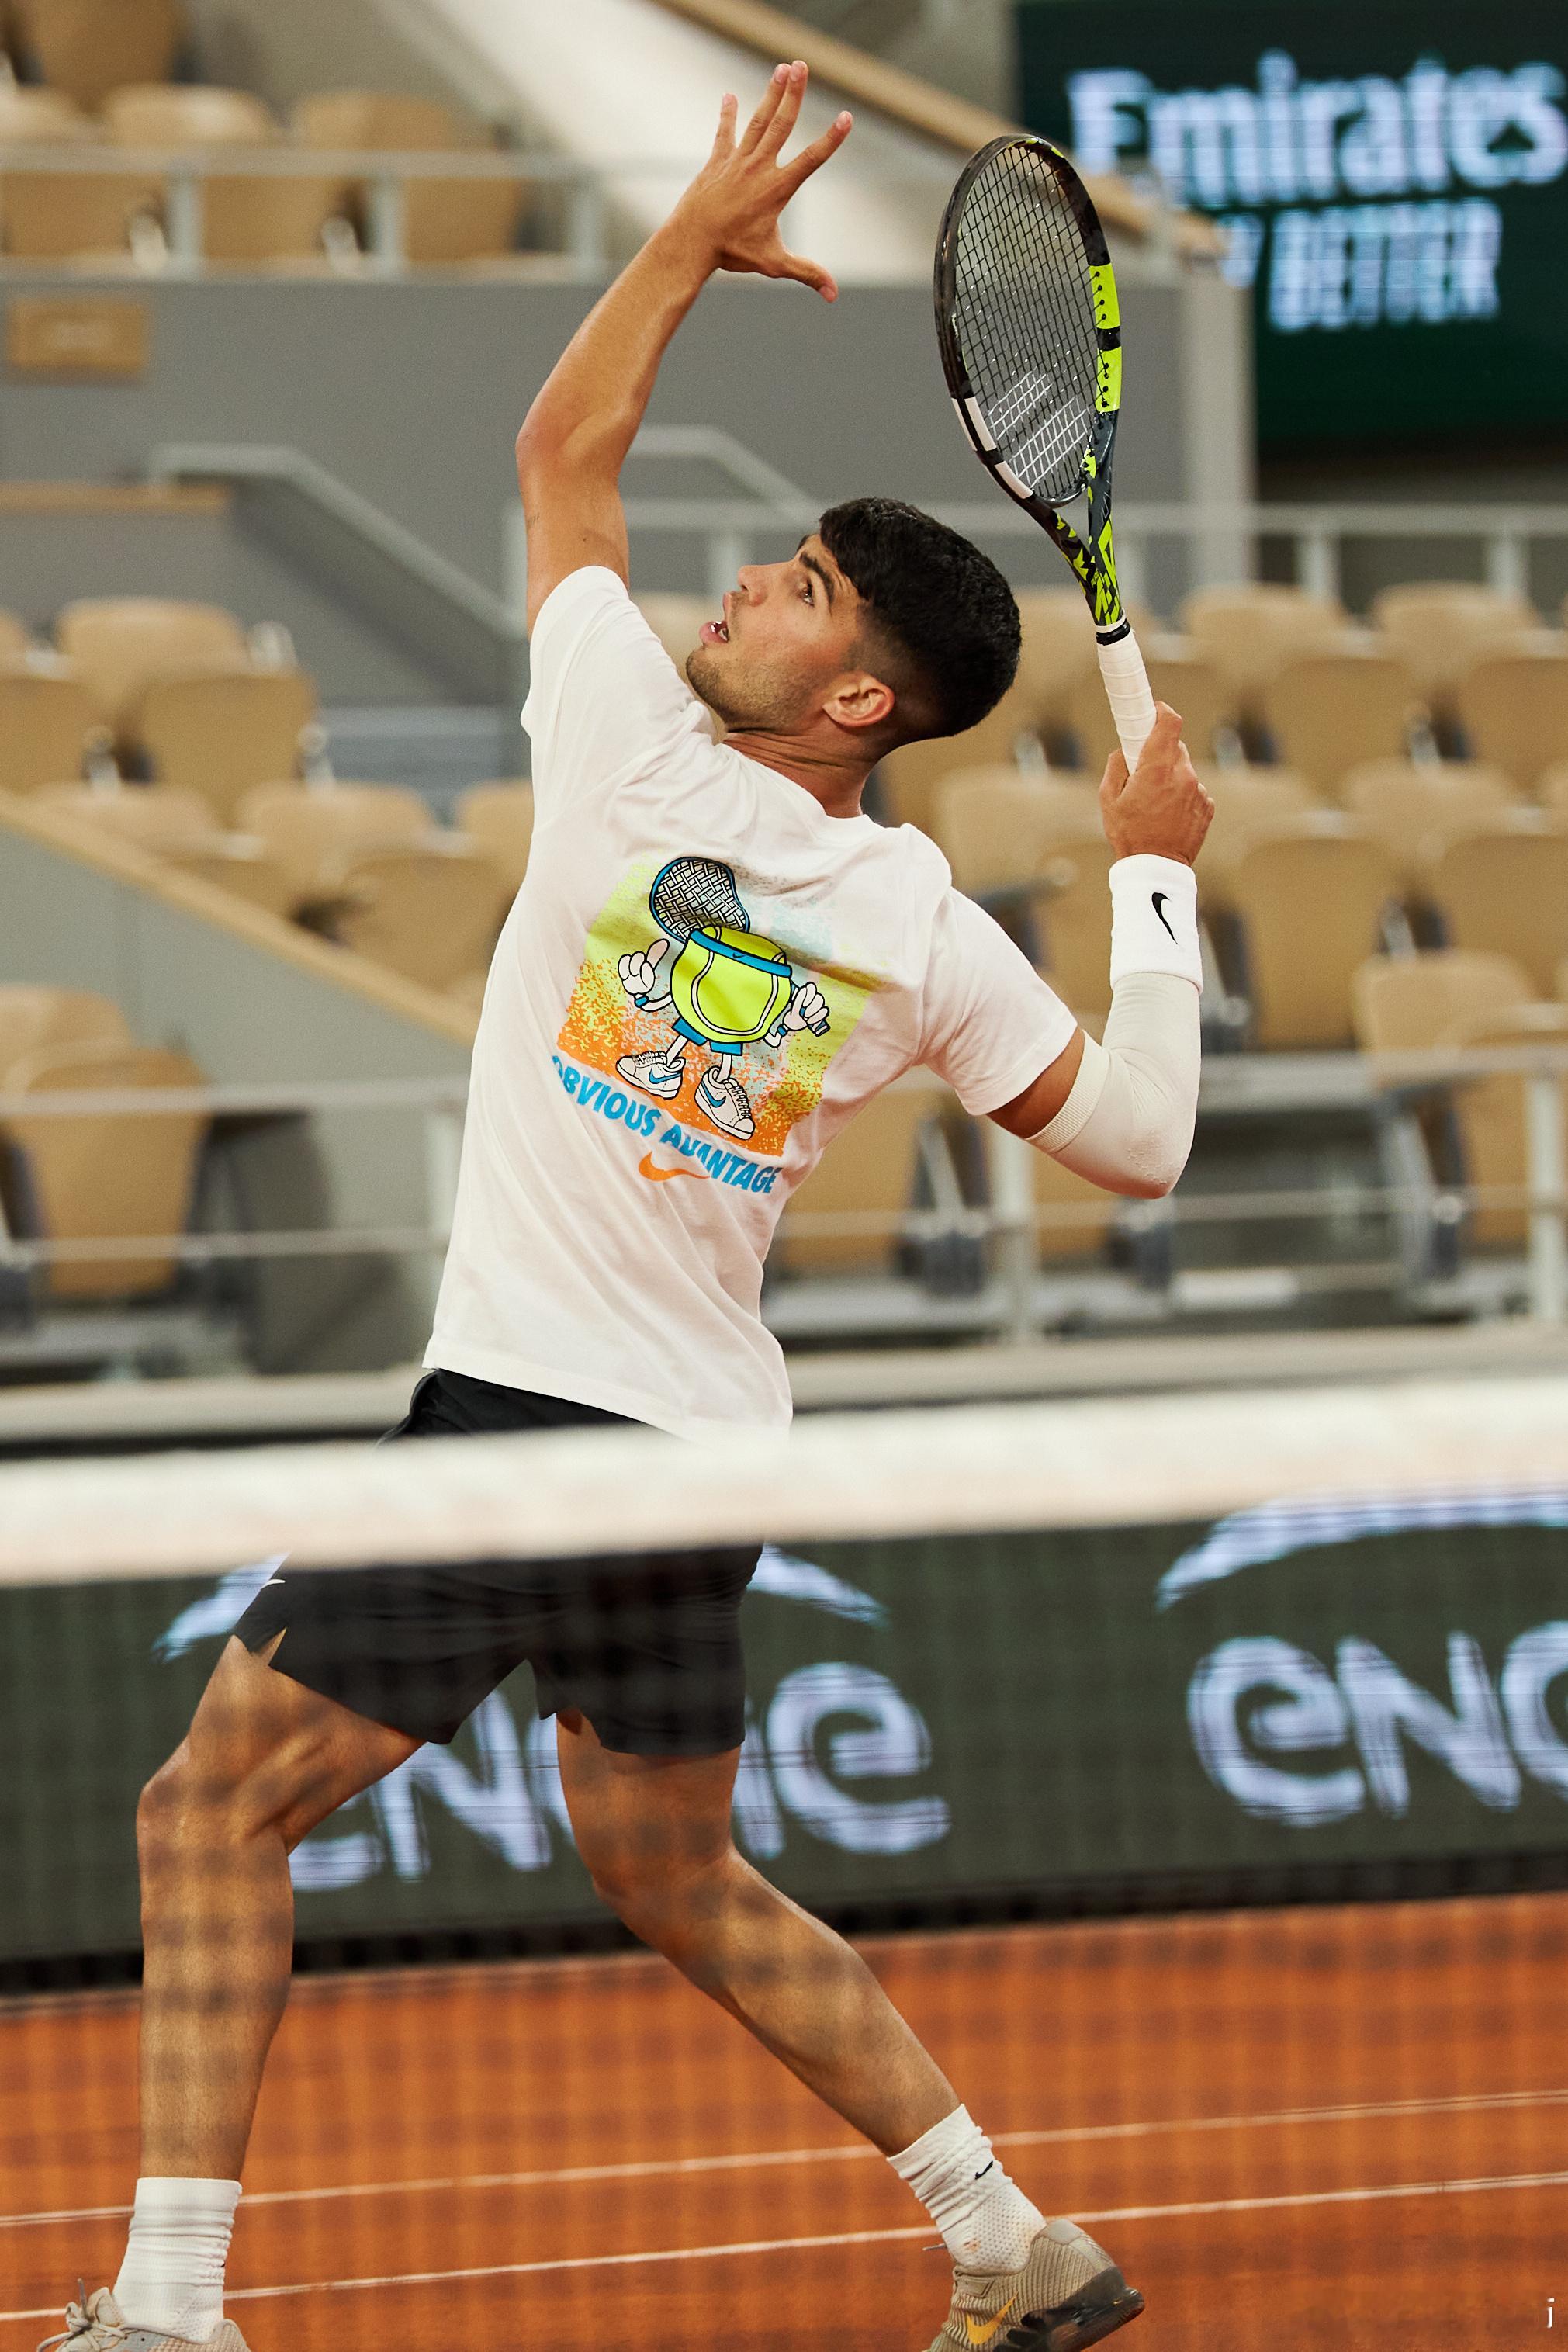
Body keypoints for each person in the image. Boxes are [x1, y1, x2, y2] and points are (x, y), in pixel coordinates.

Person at [43, 61, 1210, 2352]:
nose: (742, 586)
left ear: (853, 692)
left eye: (794, 589)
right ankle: (1014, 2246)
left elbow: (559, 455)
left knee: (206, 1812)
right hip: (697, 1452)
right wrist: (1152, 882)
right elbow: (1143, 1135)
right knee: (668, 1863)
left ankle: (169, 2313)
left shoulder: (632, 746)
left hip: (530, 1419)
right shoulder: (922, 925)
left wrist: (687, 241)